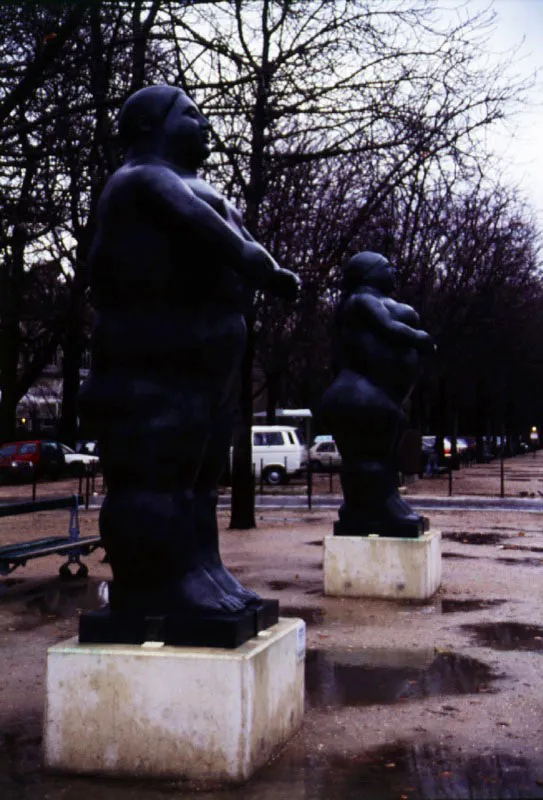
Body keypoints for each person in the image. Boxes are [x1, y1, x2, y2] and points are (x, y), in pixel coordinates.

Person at [79, 85, 300, 618]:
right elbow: (215, 233)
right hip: (154, 360)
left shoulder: (196, 184)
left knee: (200, 480)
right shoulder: (141, 178)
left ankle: (202, 570)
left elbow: (231, 230)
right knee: (161, 474)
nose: (205, 125)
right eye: (191, 114)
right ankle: (155, 581)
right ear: (147, 126)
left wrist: (258, 263)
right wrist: (263, 268)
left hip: (204, 363)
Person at [321, 251, 434, 537]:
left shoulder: (369, 301)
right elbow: (387, 326)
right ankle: (371, 507)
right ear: (369, 272)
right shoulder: (363, 300)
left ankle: (379, 502)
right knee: (369, 456)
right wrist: (417, 337)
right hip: (361, 396)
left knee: (382, 456)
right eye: (387, 266)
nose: (393, 271)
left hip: (377, 397)